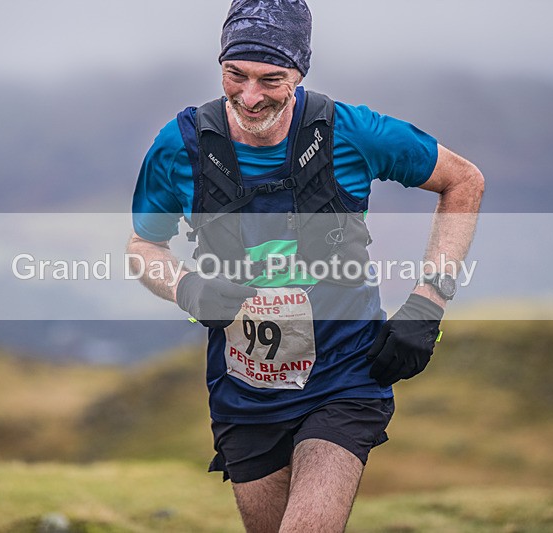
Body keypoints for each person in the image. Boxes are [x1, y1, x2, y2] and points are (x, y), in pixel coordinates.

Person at [127, 0, 484, 530]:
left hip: (345, 374)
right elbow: (143, 247)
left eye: (271, 78)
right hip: (243, 388)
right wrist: (186, 288)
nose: (249, 96)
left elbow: (464, 181)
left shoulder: (353, 132)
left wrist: (428, 302)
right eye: (235, 74)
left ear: (299, 71)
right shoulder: (179, 146)